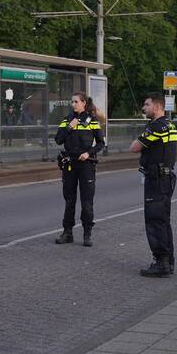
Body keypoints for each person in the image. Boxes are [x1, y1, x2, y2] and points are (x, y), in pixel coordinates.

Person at [130, 92, 177, 277]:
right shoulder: (169, 125)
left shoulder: (156, 127)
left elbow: (134, 147)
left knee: (155, 220)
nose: (144, 108)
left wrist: (140, 137)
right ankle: (168, 261)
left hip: (156, 180)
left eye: (147, 104)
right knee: (163, 221)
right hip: (165, 178)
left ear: (157, 107)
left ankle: (161, 263)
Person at [53, 92, 105, 247]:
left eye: (76, 101)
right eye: (72, 102)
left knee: (87, 201)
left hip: (86, 165)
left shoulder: (92, 121)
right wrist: (70, 126)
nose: (73, 104)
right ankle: (67, 232)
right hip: (69, 164)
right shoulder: (67, 120)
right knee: (69, 200)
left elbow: (101, 143)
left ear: (83, 103)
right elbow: (58, 140)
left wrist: (88, 153)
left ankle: (87, 234)